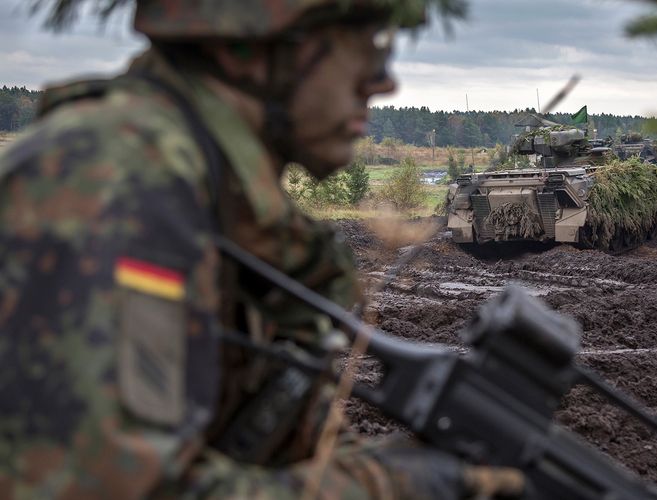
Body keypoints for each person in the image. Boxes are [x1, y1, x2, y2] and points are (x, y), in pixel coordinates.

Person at [0, 1, 523, 498]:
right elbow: (106, 487)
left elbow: (277, 447)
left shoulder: (227, 205)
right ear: (246, 51)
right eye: (364, 48)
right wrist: (388, 488)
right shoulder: (117, 185)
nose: (384, 82)